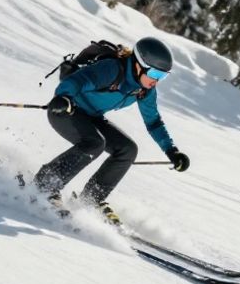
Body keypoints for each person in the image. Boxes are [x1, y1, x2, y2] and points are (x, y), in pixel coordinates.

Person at [32, 36, 190, 226]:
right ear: (139, 65)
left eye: (162, 76)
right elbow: (77, 81)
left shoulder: (144, 89)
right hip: (65, 110)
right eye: (155, 74)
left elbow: (153, 122)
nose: (156, 81)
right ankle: (45, 184)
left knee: (127, 149)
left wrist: (171, 150)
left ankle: (90, 199)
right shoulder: (113, 69)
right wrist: (63, 97)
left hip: (92, 117)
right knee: (95, 143)